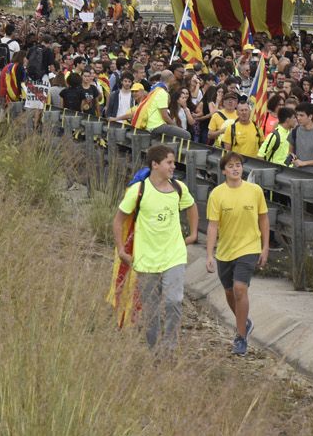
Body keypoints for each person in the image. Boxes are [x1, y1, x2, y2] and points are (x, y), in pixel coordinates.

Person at [112, 144, 198, 352]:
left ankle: (169, 347)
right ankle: (153, 349)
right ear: (155, 165)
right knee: (150, 310)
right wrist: (121, 250)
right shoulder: (138, 191)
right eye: (169, 162)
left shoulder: (179, 188)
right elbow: (118, 220)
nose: (173, 166)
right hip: (146, 259)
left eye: (173, 162)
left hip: (174, 255)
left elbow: (192, 207)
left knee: (174, 301)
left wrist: (193, 233)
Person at [203, 152, 269, 355]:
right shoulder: (217, 194)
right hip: (225, 251)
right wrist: (209, 254)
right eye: (230, 166)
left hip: (249, 247)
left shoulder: (255, 191)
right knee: (230, 292)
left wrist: (265, 247)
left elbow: (264, 219)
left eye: (238, 165)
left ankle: (240, 337)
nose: (235, 169)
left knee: (240, 289)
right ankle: (245, 323)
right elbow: (213, 226)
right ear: (224, 170)